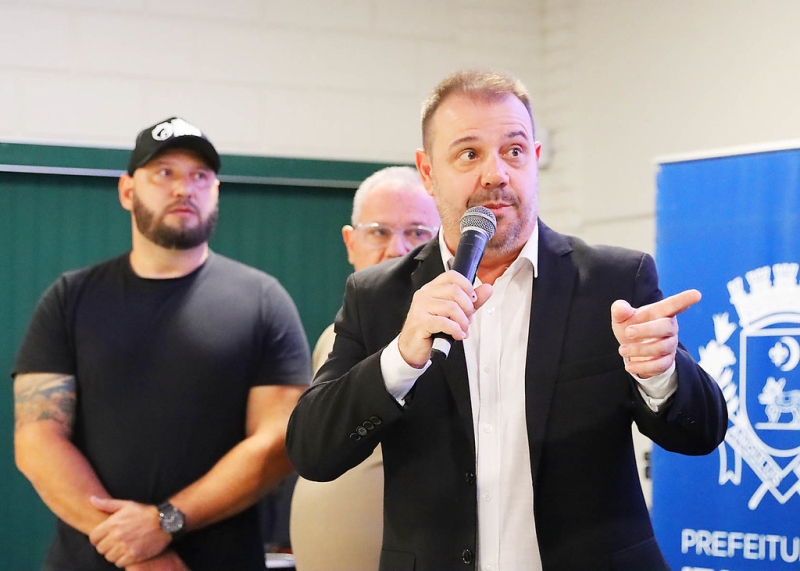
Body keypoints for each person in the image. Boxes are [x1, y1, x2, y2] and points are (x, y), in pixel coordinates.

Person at [285, 70, 728, 571]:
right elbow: (313, 452)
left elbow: (702, 433)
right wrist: (400, 359)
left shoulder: (614, 281)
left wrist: (661, 374)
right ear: (428, 172)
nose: (495, 173)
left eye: (513, 151)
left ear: (534, 160)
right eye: (469, 154)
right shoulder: (377, 297)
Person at [12, 116, 311, 571]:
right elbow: (38, 439)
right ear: (127, 190)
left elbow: (275, 444)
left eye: (200, 176)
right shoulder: (70, 298)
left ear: (215, 191)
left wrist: (164, 523)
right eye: (164, 173)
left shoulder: (263, 301)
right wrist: (131, 545)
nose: (184, 188)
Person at [290, 166, 440, 571]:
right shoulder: (333, 336)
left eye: (417, 233)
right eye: (379, 232)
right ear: (350, 242)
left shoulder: (446, 343)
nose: (396, 249)